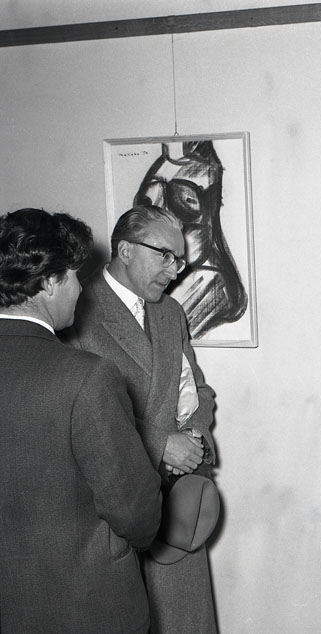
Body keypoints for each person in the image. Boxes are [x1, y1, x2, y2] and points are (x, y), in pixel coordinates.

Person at [0, 208, 162, 634]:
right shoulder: (86, 376)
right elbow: (137, 514)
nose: (79, 289)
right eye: (74, 276)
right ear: (50, 283)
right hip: (83, 609)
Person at [64, 204, 218, 634]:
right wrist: (160, 443)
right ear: (126, 250)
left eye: (179, 260)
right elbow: (74, 415)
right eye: (164, 255)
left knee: (183, 619)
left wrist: (193, 436)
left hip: (175, 503)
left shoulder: (170, 313)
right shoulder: (75, 309)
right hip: (112, 511)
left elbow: (198, 391)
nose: (174, 270)